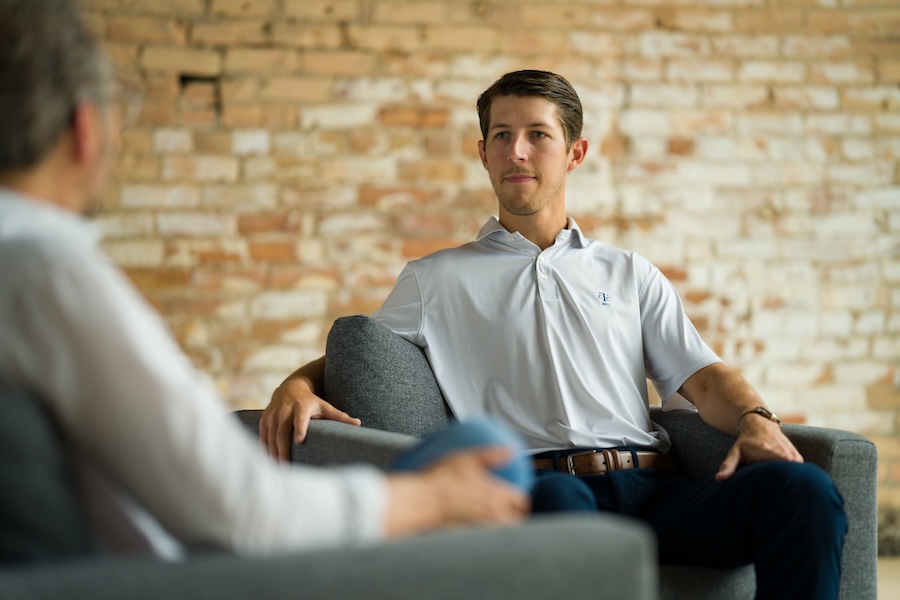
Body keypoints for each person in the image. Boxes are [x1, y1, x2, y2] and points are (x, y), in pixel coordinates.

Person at [261, 70, 848, 599]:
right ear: (483, 154)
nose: (516, 151)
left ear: (575, 152)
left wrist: (756, 419)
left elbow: (706, 377)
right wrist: (295, 384)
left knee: (803, 492)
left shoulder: (628, 272)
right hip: (541, 492)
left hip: (655, 490)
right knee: (564, 513)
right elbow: (365, 348)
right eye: (500, 135)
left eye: (538, 134)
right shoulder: (433, 279)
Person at [0, 0, 531, 560]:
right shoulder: (43, 274)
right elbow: (245, 513)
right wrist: (430, 501)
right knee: (496, 457)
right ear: (86, 129)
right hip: (196, 576)